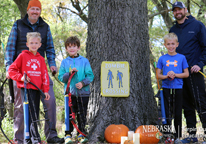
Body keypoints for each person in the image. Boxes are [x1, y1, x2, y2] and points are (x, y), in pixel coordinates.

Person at [4, 0, 64, 143]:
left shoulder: (45, 27)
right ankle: (20, 138)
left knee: (50, 101)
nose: (35, 11)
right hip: (21, 73)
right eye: (33, 9)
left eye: (38, 9)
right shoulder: (18, 25)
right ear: (28, 10)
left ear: (40, 11)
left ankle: (51, 136)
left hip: (39, 71)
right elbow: (10, 48)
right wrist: (9, 68)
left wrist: (52, 64)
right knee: (20, 105)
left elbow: (50, 48)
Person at [170, 2, 206, 143]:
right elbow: (171, 51)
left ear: (185, 10)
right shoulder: (173, 29)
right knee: (186, 106)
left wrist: (200, 64)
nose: (177, 12)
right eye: (175, 10)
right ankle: (192, 136)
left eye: (180, 9)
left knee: (201, 103)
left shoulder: (197, 26)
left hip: (194, 72)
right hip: (179, 75)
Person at [8, 32, 50, 144]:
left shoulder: (41, 59)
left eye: (36, 43)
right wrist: (21, 77)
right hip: (26, 89)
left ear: (40, 45)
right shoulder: (22, 56)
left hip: (37, 90)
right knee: (28, 111)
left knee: (35, 112)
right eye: (31, 43)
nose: (34, 45)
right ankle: (30, 138)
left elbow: (45, 75)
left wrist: (45, 90)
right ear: (27, 44)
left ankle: (33, 138)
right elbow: (11, 70)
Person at [58, 36, 94, 144]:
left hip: (83, 93)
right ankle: (68, 135)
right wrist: (69, 73)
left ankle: (81, 134)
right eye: (69, 47)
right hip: (70, 94)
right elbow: (60, 77)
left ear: (78, 48)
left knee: (81, 114)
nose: (72, 49)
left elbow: (90, 76)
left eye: (74, 46)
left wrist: (83, 83)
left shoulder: (84, 61)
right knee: (69, 114)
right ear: (66, 49)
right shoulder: (64, 62)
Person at [157, 33, 189, 144]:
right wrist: (167, 76)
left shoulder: (181, 58)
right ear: (165, 45)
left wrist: (175, 74)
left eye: (173, 44)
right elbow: (158, 76)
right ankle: (167, 136)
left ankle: (177, 137)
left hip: (178, 88)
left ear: (177, 44)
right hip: (166, 88)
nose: (171, 46)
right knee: (167, 113)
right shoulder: (162, 58)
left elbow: (186, 74)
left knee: (177, 113)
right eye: (168, 44)